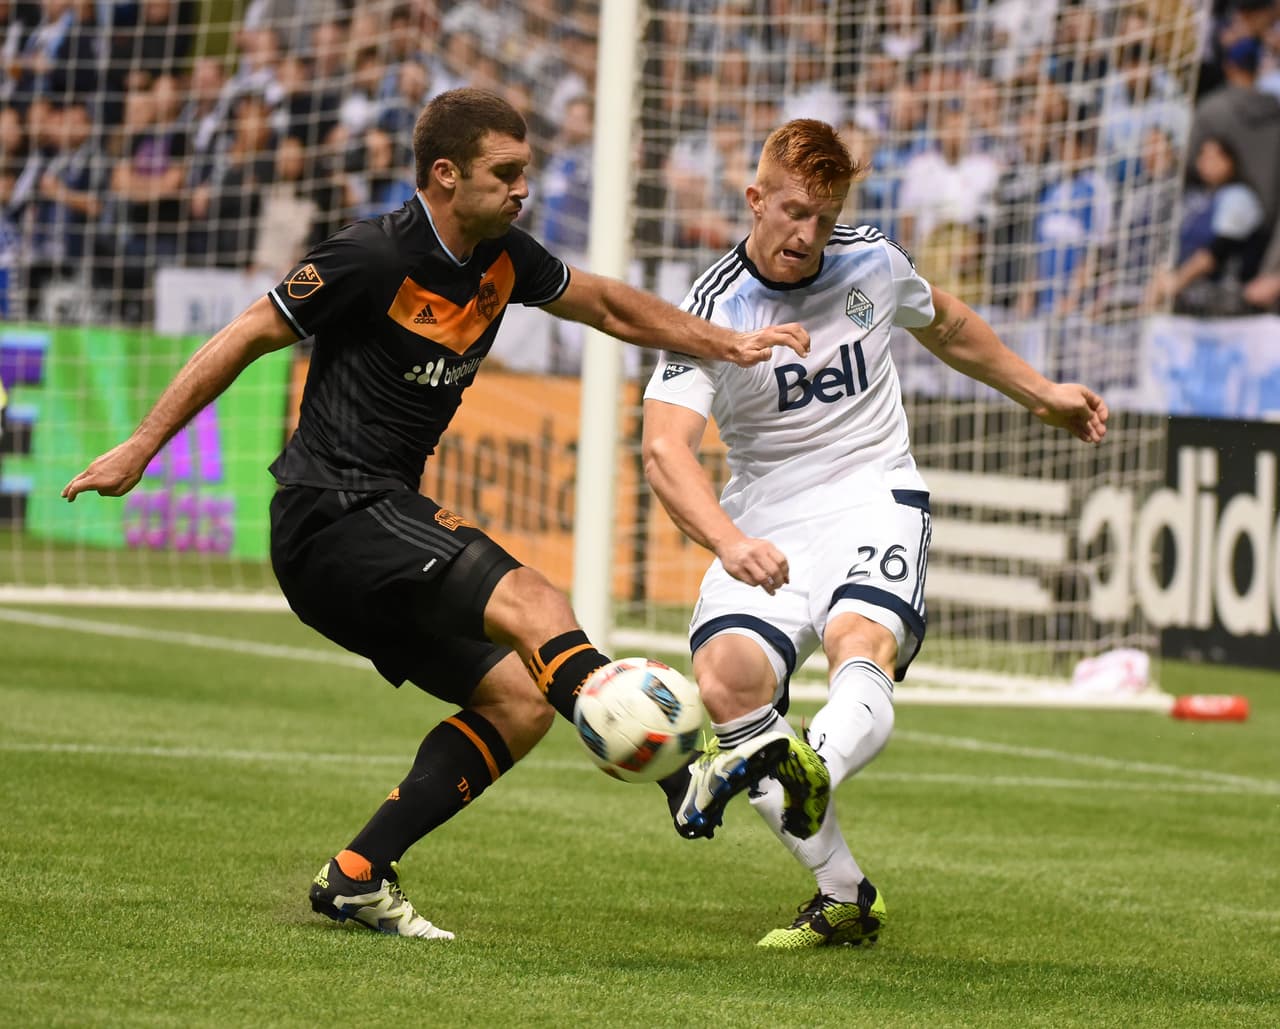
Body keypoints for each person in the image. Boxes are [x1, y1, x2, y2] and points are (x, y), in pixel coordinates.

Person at [61, 88, 812, 941]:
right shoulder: (372, 255)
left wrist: (727, 343)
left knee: (521, 701)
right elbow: (246, 334)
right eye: (506, 172)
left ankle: (357, 874)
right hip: (332, 509)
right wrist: (141, 447)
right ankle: (684, 778)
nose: (523, 188)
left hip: (374, 521)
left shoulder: (504, 257)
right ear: (447, 175)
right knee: (536, 602)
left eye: (525, 171)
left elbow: (605, 304)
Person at [641, 119, 1108, 949]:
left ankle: (806, 762)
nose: (807, 233)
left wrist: (1041, 393)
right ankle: (844, 892)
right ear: (755, 199)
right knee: (728, 682)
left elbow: (948, 323)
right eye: (793, 212)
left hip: (874, 492)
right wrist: (728, 541)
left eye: (823, 218)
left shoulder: (872, 262)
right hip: (765, 516)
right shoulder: (711, 308)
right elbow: (664, 450)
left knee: (861, 641)